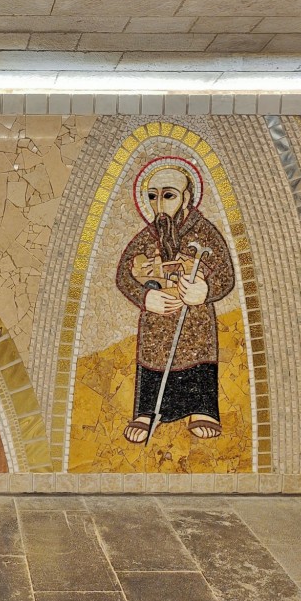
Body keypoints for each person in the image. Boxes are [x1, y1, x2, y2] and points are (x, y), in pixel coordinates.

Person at [115, 159, 234, 443]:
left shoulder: (204, 232)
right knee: (153, 353)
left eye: (168, 195)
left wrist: (205, 291)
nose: (159, 205)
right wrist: (146, 297)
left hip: (193, 318)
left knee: (197, 351)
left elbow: (226, 275)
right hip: (158, 317)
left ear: (186, 198)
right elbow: (123, 276)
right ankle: (147, 412)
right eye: (152, 196)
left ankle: (202, 410)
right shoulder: (148, 237)